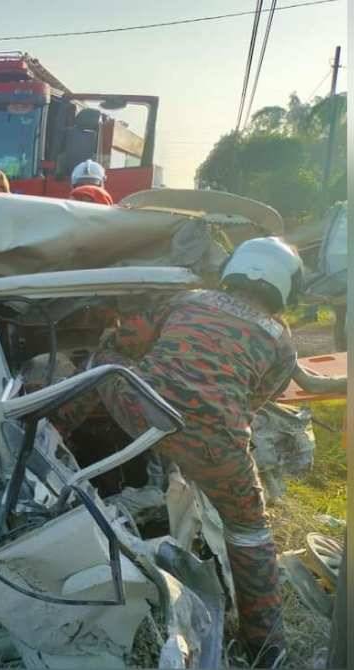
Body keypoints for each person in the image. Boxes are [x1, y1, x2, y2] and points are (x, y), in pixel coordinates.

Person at [59, 237, 302, 667]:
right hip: (218, 447)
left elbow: (135, 341)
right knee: (251, 535)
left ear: (234, 268)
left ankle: (48, 432)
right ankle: (267, 648)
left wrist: (117, 343)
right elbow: (257, 399)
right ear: (287, 287)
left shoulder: (188, 299)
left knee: (102, 363)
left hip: (144, 412)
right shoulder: (281, 338)